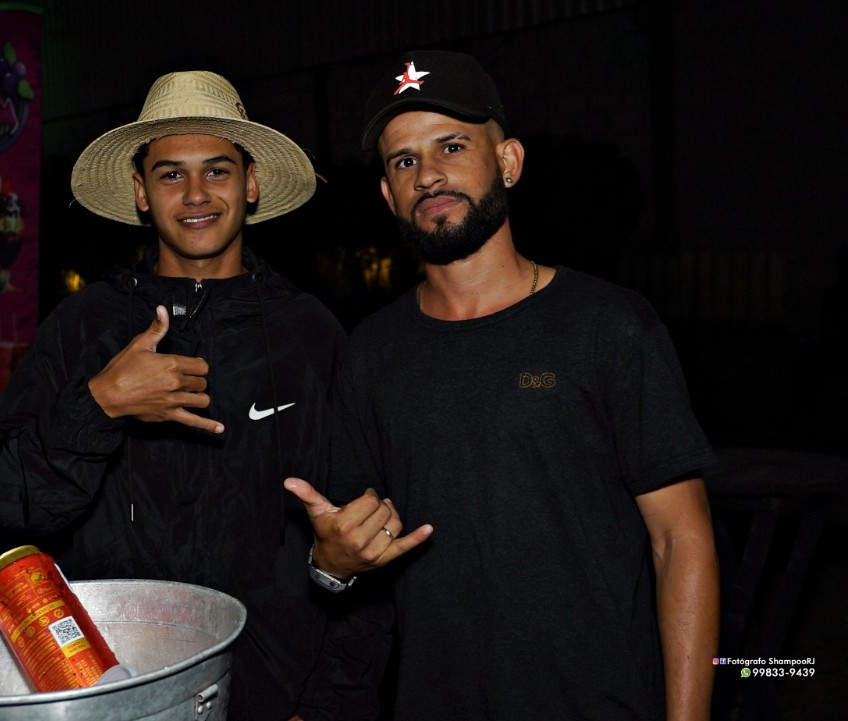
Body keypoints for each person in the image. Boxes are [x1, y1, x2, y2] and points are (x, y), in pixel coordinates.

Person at [285, 50, 720, 720]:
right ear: (388, 195)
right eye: (404, 161)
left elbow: (680, 541)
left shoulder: (608, 326)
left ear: (509, 162)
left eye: (452, 146)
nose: (429, 174)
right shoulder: (371, 351)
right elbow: (351, 546)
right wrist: (331, 562)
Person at [0, 70, 353, 721]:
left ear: (251, 184)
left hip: (268, 693)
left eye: (217, 170)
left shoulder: (309, 334)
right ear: (141, 192)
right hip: (112, 686)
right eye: (171, 174)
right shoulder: (86, 325)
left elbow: (360, 534)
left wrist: (325, 703)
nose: (196, 193)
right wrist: (97, 406)